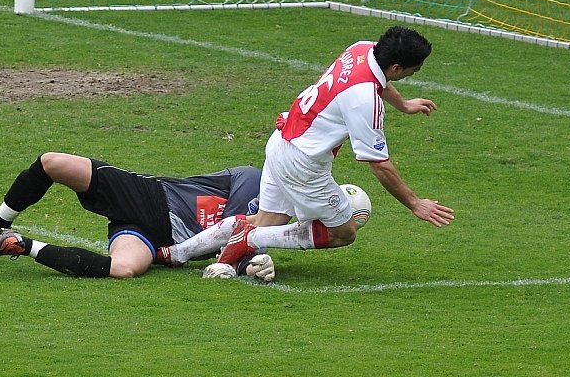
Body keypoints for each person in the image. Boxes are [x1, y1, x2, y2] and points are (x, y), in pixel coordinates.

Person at [165, 25, 455, 277]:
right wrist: (415, 204)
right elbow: (380, 165)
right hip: (302, 163)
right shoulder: (364, 100)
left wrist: (403, 105)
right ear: (396, 68)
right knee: (343, 232)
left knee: (267, 219)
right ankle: (249, 238)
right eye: (415, 69)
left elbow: (381, 80)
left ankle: (176, 253)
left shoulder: (363, 49)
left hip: (281, 140)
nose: (416, 73)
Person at [0, 152, 276, 281]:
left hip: (150, 235)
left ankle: (24, 245)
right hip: (148, 196)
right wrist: (241, 261)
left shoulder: (269, 227)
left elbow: (239, 248)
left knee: (122, 270)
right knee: (52, 163)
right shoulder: (253, 179)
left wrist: (254, 265)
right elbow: (234, 234)